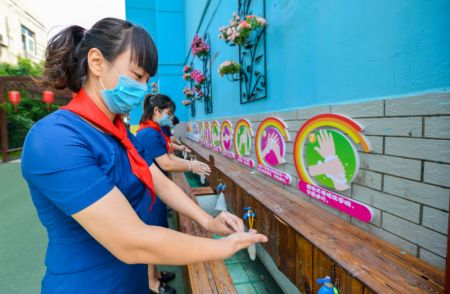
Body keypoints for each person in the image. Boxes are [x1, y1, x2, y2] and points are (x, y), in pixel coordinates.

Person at [21, 17, 267, 293]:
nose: (141, 89)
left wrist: (207, 220)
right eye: (137, 76)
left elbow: (157, 179)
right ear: (97, 62)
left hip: (132, 282)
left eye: (146, 80)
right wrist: (221, 247)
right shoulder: (55, 138)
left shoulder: (119, 131)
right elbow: (131, 241)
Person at [136, 94, 213, 292]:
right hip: (149, 192)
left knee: (156, 231)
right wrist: (190, 165)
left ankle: (155, 273)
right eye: (169, 113)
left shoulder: (155, 130)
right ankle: (151, 282)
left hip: (156, 187)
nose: (170, 117)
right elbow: (166, 162)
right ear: (156, 111)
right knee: (151, 237)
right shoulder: (148, 134)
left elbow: (168, 154)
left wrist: (189, 163)